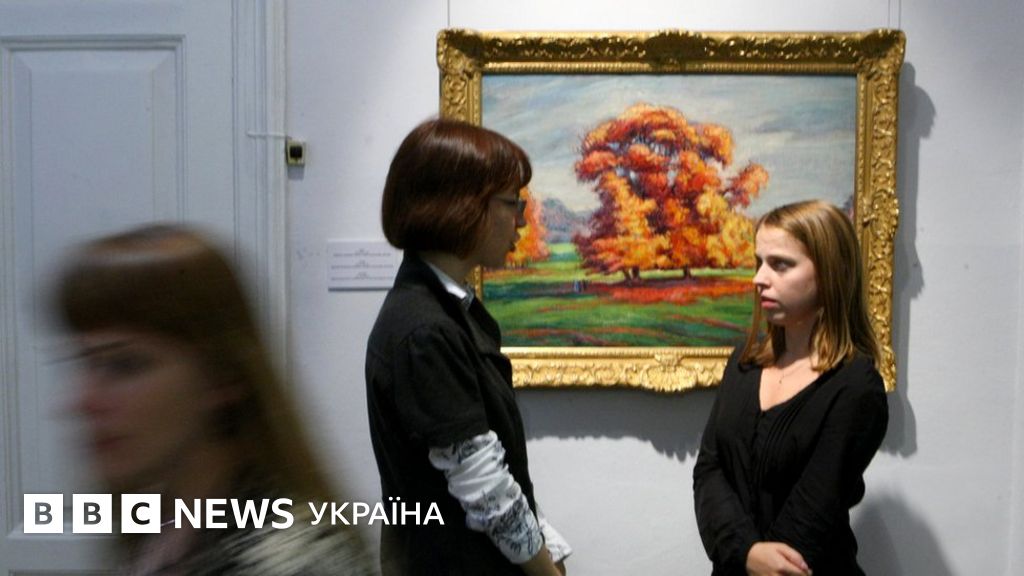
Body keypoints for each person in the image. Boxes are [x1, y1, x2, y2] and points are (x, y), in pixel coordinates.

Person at [55, 224, 376, 576]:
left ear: (221, 376)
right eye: (85, 362)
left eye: (125, 364)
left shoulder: (292, 561)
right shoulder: (158, 522)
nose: (83, 401)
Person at [365, 118, 571, 576]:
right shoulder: (425, 331)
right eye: (512, 203)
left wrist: (546, 544)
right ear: (460, 206)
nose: (522, 220)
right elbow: (487, 491)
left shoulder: (445, 311)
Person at [693, 200, 889, 576]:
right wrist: (746, 551)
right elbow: (710, 468)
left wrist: (751, 557)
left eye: (780, 265)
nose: (759, 278)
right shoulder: (746, 362)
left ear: (830, 272)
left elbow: (811, 515)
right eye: (759, 262)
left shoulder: (854, 388)